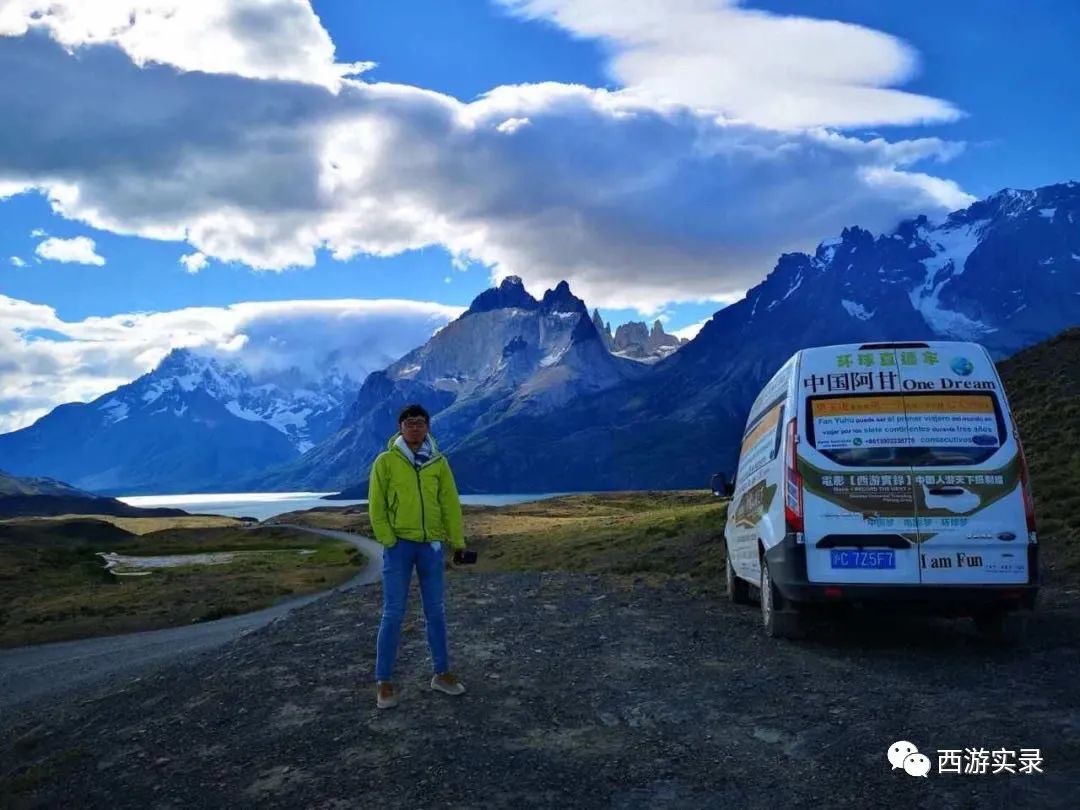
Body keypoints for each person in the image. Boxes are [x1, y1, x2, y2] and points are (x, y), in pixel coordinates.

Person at [367, 403, 467, 709]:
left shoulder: (438, 462)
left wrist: (457, 541)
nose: (415, 427)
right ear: (400, 427)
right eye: (409, 423)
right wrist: (388, 539)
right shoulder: (385, 462)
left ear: (428, 427)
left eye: (421, 423)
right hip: (399, 547)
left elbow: (450, 503)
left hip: (431, 546)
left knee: (435, 611)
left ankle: (442, 674)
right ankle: (384, 681)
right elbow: (377, 504)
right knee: (393, 613)